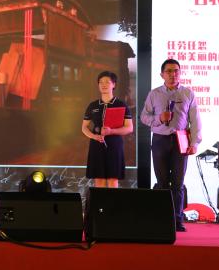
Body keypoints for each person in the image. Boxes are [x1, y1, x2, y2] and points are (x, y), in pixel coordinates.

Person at [140, 59, 202, 232]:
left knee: (178, 182)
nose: (173, 74)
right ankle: (162, 219)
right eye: (169, 71)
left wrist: (195, 142)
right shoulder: (154, 94)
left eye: (176, 71)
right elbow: (144, 117)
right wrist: (159, 118)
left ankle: (177, 220)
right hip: (159, 139)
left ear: (180, 73)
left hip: (180, 140)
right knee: (161, 182)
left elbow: (195, 120)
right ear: (162, 74)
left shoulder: (188, 93)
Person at [81, 71, 134, 188]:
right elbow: (84, 127)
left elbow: (129, 128)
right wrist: (94, 136)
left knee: (112, 179)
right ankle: (99, 201)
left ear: (114, 84)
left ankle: (112, 201)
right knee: (98, 179)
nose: (103, 85)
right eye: (101, 82)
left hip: (114, 145)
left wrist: (111, 131)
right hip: (96, 144)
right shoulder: (93, 105)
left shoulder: (121, 104)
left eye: (107, 82)